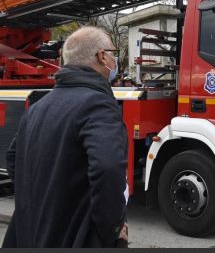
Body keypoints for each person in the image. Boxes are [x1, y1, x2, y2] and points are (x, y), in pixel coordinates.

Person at [3, 26, 129, 248]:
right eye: (113, 53)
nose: (115, 60)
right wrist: (112, 228)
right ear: (102, 56)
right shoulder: (99, 104)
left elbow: (13, 157)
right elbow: (107, 168)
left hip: (30, 235)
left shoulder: (38, 107)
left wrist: (39, 201)